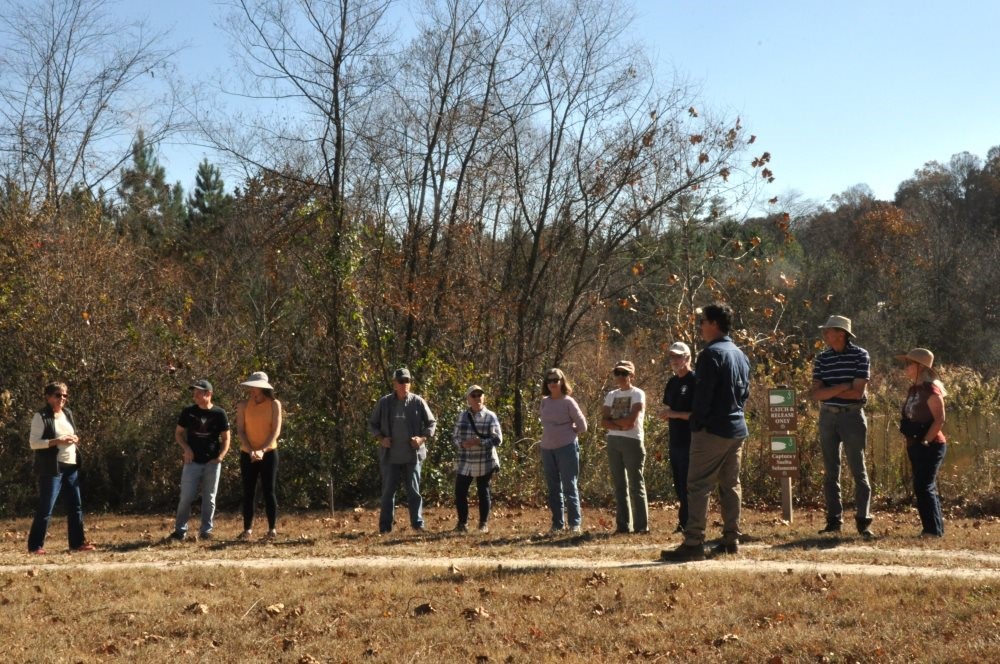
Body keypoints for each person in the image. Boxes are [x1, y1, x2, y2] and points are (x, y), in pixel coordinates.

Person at [661, 303, 750, 561]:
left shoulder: (710, 354)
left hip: (712, 430)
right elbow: (745, 392)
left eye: (703, 322)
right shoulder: (739, 353)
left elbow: (703, 396)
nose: (700, 326)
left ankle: (693, 543)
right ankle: (731, 539)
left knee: (698, 485)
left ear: (713, 324)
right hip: (736, 428)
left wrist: (698, 421)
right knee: (731, 485)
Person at [809, 315, 875, 540]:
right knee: (830, 471)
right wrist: (844, 385)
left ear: (841, 333)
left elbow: (857, 393)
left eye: (828, 331)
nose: (824, 335)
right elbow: (816, 393)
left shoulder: (860, 355)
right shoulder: (822, 358)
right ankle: (833, 521)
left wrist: (832, 389)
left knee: (859, 470)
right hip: (828, 417)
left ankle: (863, 521)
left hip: (852, 416)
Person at [27, 382, 95, 554]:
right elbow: (34, 443)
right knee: (46, 507)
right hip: (52, 467)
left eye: (65, 395)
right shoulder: (40, 416)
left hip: (71, 465)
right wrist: (58, 441)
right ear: (48, 397)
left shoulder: (67, 413)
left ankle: (77, 543)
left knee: (75, 506)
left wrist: (74, 438)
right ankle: (35, 546)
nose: (62, 399)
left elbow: (70, 434)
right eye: (58, 395)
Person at [368, 367, 436, 534]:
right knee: (388, 493)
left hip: (412, 456)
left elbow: (431, 423)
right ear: (394, 383)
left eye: (407, 381)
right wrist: (381, 438)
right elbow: (372, 424)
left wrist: (421, 439)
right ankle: (385, 528)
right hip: (390, 456)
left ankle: (417, 525)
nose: (404, 384)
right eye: (401, 381)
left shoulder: (418, 402)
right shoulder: (384, 402)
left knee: (414, 492)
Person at [169, 379, 231, 541]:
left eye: (198, 393)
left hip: (212, 463)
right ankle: (180, 531)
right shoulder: (188, 411)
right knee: (186, 497)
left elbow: (226, 438)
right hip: (192, 463)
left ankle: (206, 531)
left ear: (208, 394)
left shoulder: (219, 413)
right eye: (194, 393)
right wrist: (186, 449)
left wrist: (220, 457)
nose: (195, 396)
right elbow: (178, 433)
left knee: (209, 498)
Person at [896, 348, 948, 537]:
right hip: (916, 445)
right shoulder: (914, 389)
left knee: (924, 486)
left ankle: (932, 531)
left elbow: (940, 419)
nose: (906, 368)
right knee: (923, 486)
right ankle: (933, 529)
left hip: (931, 446)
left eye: (909, 364)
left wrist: (925, 441)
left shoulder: (931, 390)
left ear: (919, 367)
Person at [601, 360, 648, 534]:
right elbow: (603, 422)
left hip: (632, 441)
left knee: (636, 484)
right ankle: (622, 525)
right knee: (619, 485)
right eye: (617, 372)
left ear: (632, 376)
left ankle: (641, 526)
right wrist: (620, 425)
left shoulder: (638, 394)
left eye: (624, 373)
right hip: (613, 442)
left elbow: (631, 421)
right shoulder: (611, 395)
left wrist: (616, 423)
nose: (620, 376)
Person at [539, 368, 588, 533]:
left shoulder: (568, 401)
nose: (552, 383)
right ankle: (557, 524)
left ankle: (575, 523)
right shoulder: (544, 401)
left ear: (562, 382)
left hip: (567, 448)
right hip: (547, 448)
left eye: (556, 380)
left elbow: (582, 426)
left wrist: (569, 432)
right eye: (549, 380)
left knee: (569, 486)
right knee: (553, 487)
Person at [236, 371, 283, 540]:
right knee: (248, 491)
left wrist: (262, 450)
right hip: (247, 453)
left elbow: (275, 431)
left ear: (262, 388)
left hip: (269, 453)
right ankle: (247, 529)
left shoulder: (274, 404)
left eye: (254, 387)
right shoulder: (243, 405)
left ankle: (272, 529)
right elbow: (240, 430)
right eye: (251, 387)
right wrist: (250, 450)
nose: (252, 390)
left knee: (269, 490)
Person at [452, 385, 502, 534]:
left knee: (483, 491)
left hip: (484, 460)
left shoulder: (490, 416)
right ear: (468, 399)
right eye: (473, 395)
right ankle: (462, 524)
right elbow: (454, 437)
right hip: (465, 460)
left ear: (484, 397)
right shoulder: (462, 416)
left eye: (479, 395)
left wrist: (480, 442)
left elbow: (498, 439)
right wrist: (462, 444)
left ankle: (483, 524)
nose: (477, 398)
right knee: (460, 491)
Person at [659, 342, 695, 533]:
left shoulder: (695, 381)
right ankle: (683, 523)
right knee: (680, 483)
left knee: (691, 485)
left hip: (692, 442)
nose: (674, 360)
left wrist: (674, 414)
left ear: (688, 358)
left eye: (678, 356)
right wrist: (667, 414)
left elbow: (698, 416)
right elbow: (670, 409)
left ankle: (692, 523)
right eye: (672, 356)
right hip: (675, 441)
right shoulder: (672, 383)